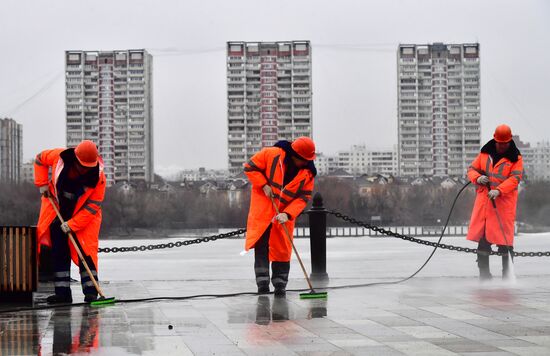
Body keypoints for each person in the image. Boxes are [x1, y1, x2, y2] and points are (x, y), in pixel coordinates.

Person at [34, 140, 106, 303]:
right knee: (59, 251)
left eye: (89, 166)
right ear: (75, 159)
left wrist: (72, 224)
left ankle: (91, 292)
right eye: (82, 166)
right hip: (58, 211)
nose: (85, 169)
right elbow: (39, 160)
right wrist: (42, 183)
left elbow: (92, 207)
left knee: (86, 251)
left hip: (84, 217)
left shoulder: (99, 177)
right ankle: (62, 294)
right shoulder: (58, 157)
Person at [243, 136, 317, 297]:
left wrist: (288, 213)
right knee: (262, 245)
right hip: (264, 209)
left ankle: (280, 285)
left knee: (282, 248)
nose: (304, 163)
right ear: (293, 155)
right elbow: (249, 167)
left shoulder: (308, 174)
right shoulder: (271, 154)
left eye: (307, 160)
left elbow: (303, 198)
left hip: (284, 214)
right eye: (301, 160)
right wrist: (263, 185)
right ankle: (262, 284)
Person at [466, 124, 523, 280]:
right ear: (495, 140)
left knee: (505, 241)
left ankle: (508, 276)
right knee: (484, 240)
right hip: (485, 203)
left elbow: (515, 179)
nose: (503, 146)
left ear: (509, 141)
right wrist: (477, 177)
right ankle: (484, 276)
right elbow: (471, 169)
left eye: (505, 143)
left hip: (504, 205)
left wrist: (499, 190)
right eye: (500, 143)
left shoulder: (516, 159)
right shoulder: (484, 154)